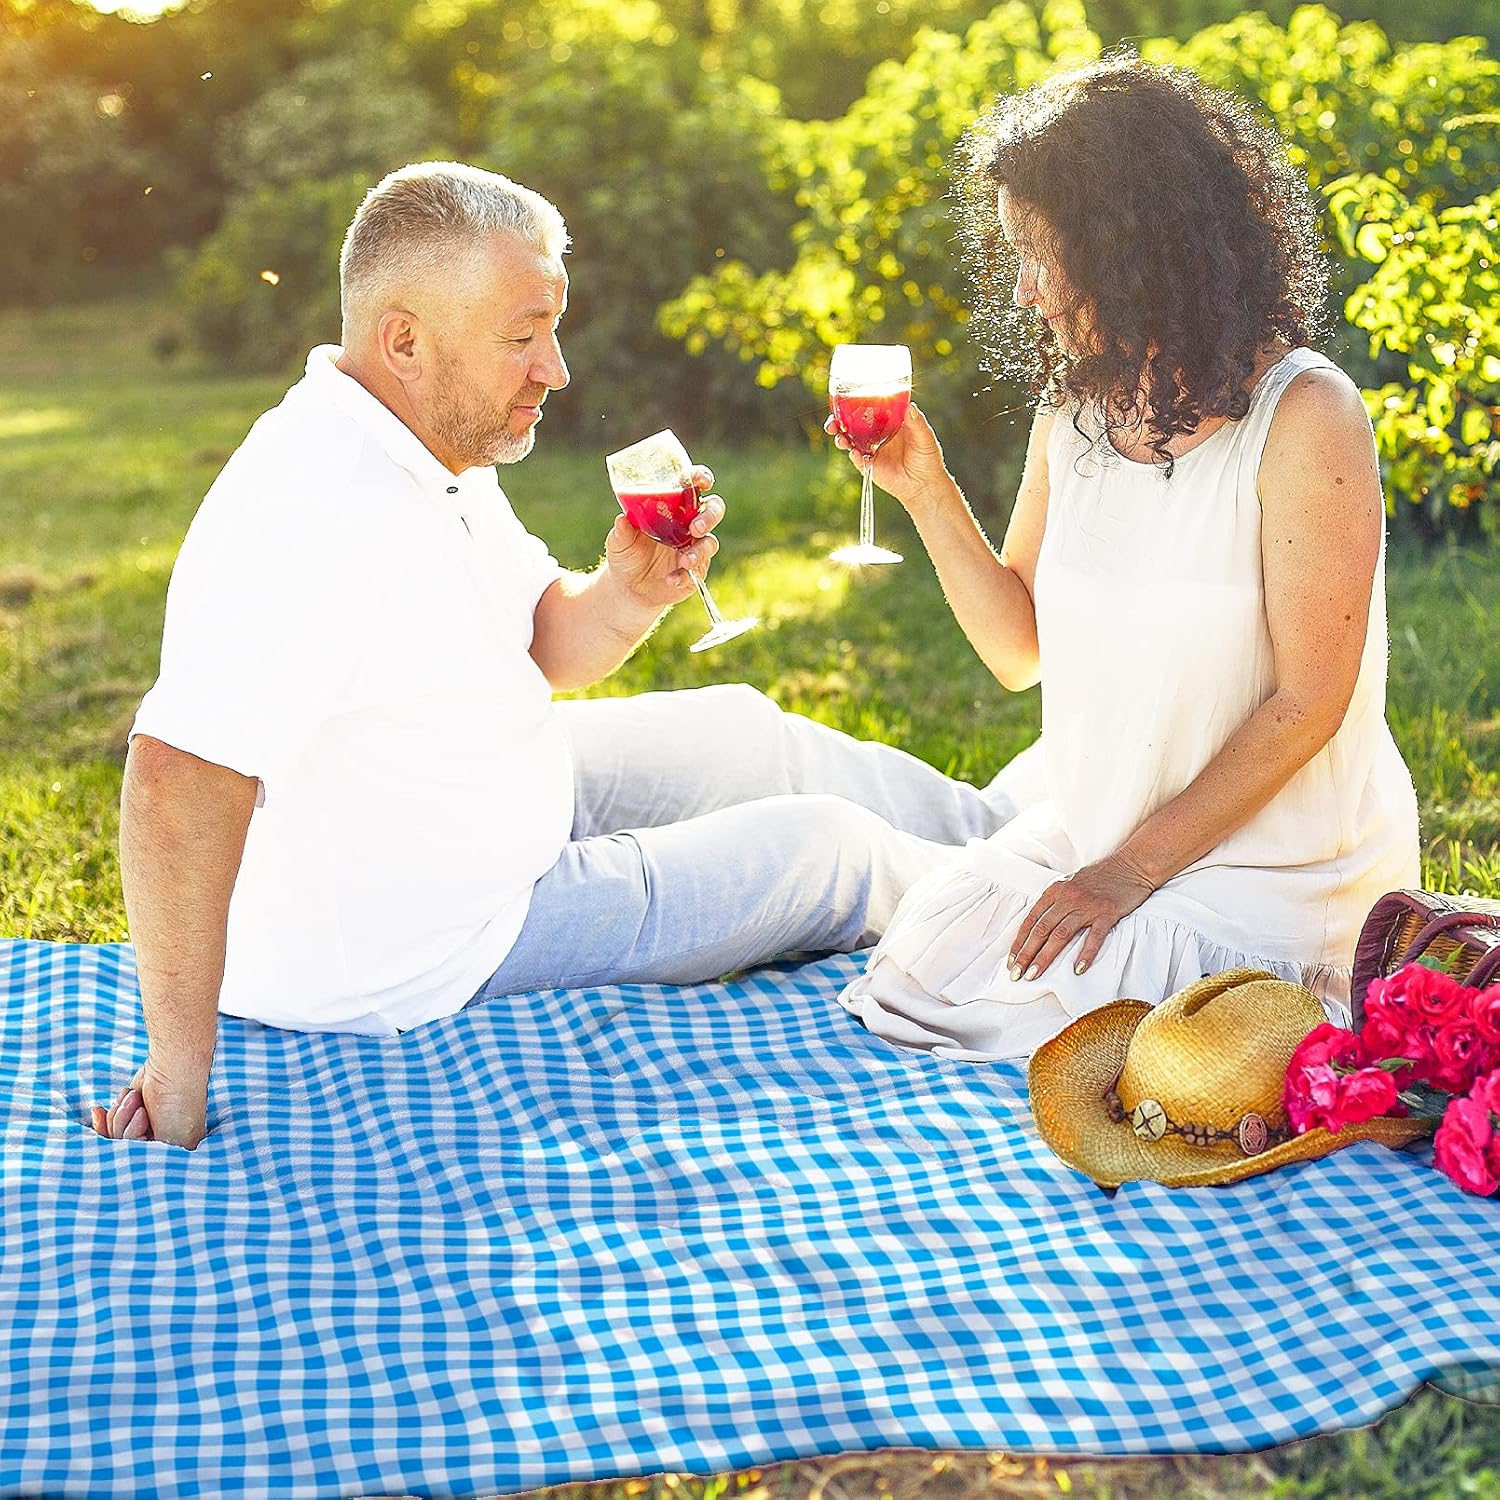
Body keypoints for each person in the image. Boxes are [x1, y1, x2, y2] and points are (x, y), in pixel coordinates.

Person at [93, 162, 1025, 1151]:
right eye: (522, 337)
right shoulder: (311, 509)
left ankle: (1027, 836)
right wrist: (175, 1075)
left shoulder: (423, 446)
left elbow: (545, 642)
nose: (556, 368)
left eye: (550, 328)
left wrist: (628, 591)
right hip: (430, 941)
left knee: (743, 726)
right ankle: (1052, 916)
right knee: (827, 850)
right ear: (403, 339)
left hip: (491, 792)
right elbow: (177, 779)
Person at [830, 56, 1420, 1061]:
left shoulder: (1306, 416)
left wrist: (1126, 875)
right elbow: (1020, 647)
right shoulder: (1076, 410)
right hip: (1111, 828)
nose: (1024, 291)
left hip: (1272, 860)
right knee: (935, 968)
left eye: (1039, 253)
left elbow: (1307, 702)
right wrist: (925, 488)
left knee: (1083, 1020)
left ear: (1127, 245)